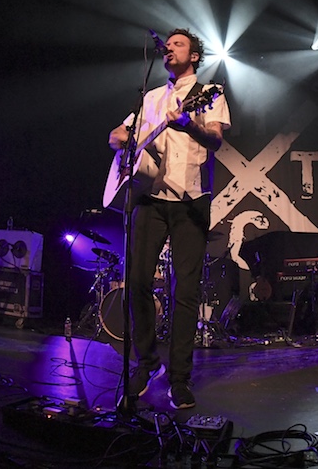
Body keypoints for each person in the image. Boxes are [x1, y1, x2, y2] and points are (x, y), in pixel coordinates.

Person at [108, 28, 230, 410]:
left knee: (185, 293)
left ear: (194, 56)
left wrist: (188, 125)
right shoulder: (151, 98)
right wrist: (121, 141)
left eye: (178, 44)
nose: (169, 49)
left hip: (190, 200)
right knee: (138, 283)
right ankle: (147, 362)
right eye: (168, 45)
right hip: (150, 198)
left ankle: (180, 378)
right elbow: (118, 134)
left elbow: (214, 139)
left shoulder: (210, 94)